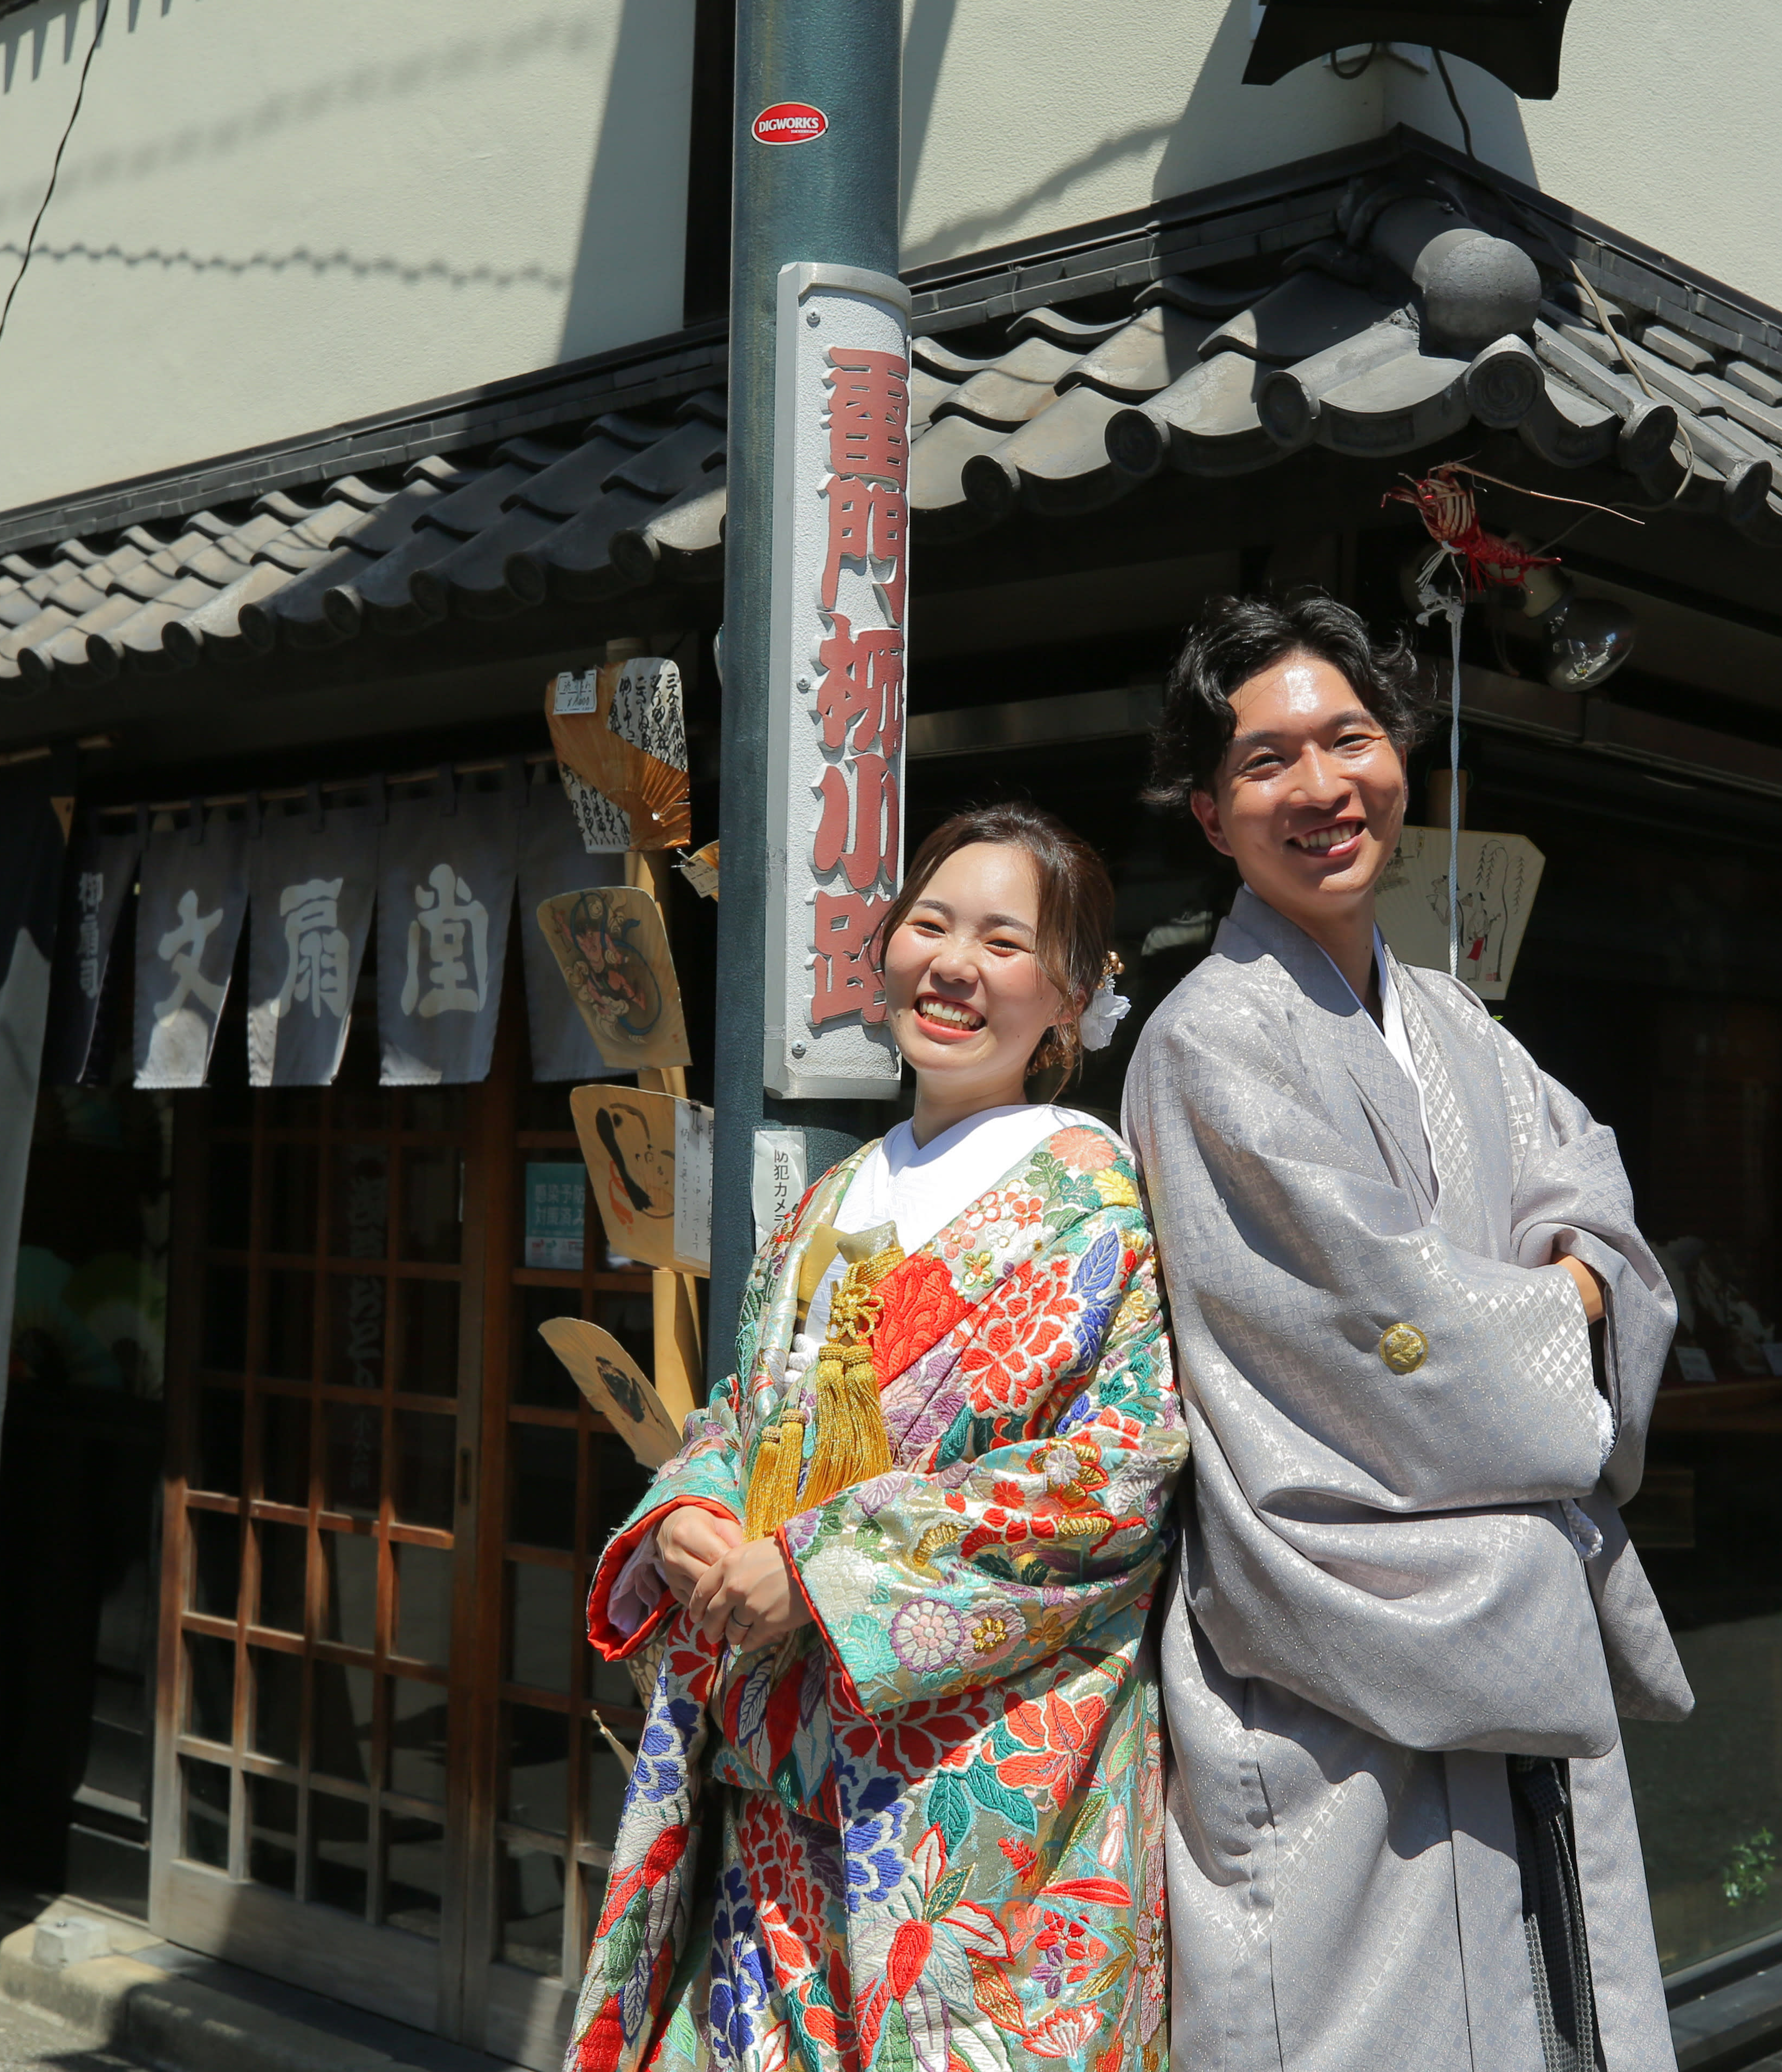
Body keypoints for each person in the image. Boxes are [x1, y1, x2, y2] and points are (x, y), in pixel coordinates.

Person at [1124, 593, 1693, 2072]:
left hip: (1497, 1629)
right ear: (1210, 814)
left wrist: (1579, 1273)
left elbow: (1593, 1187)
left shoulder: (1450, 1016)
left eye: (1350, 739)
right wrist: (1564, 1299)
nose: (1322, 787)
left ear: (1399, 757)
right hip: (1337, 1644)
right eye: (1266, 762)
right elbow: (1387, 1326)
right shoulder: (1209, 1042)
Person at [566, 802, 1185, 2072]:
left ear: (1073, 996)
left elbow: (1111, 1481)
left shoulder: (1092, 1194)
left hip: (975, 1796)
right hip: (777, 1789)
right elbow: (747, 1417)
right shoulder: (836, 1197)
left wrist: (819, 1567)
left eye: (1005, 943)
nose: (954, 966)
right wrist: (692, 1511)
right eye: (930, 926)